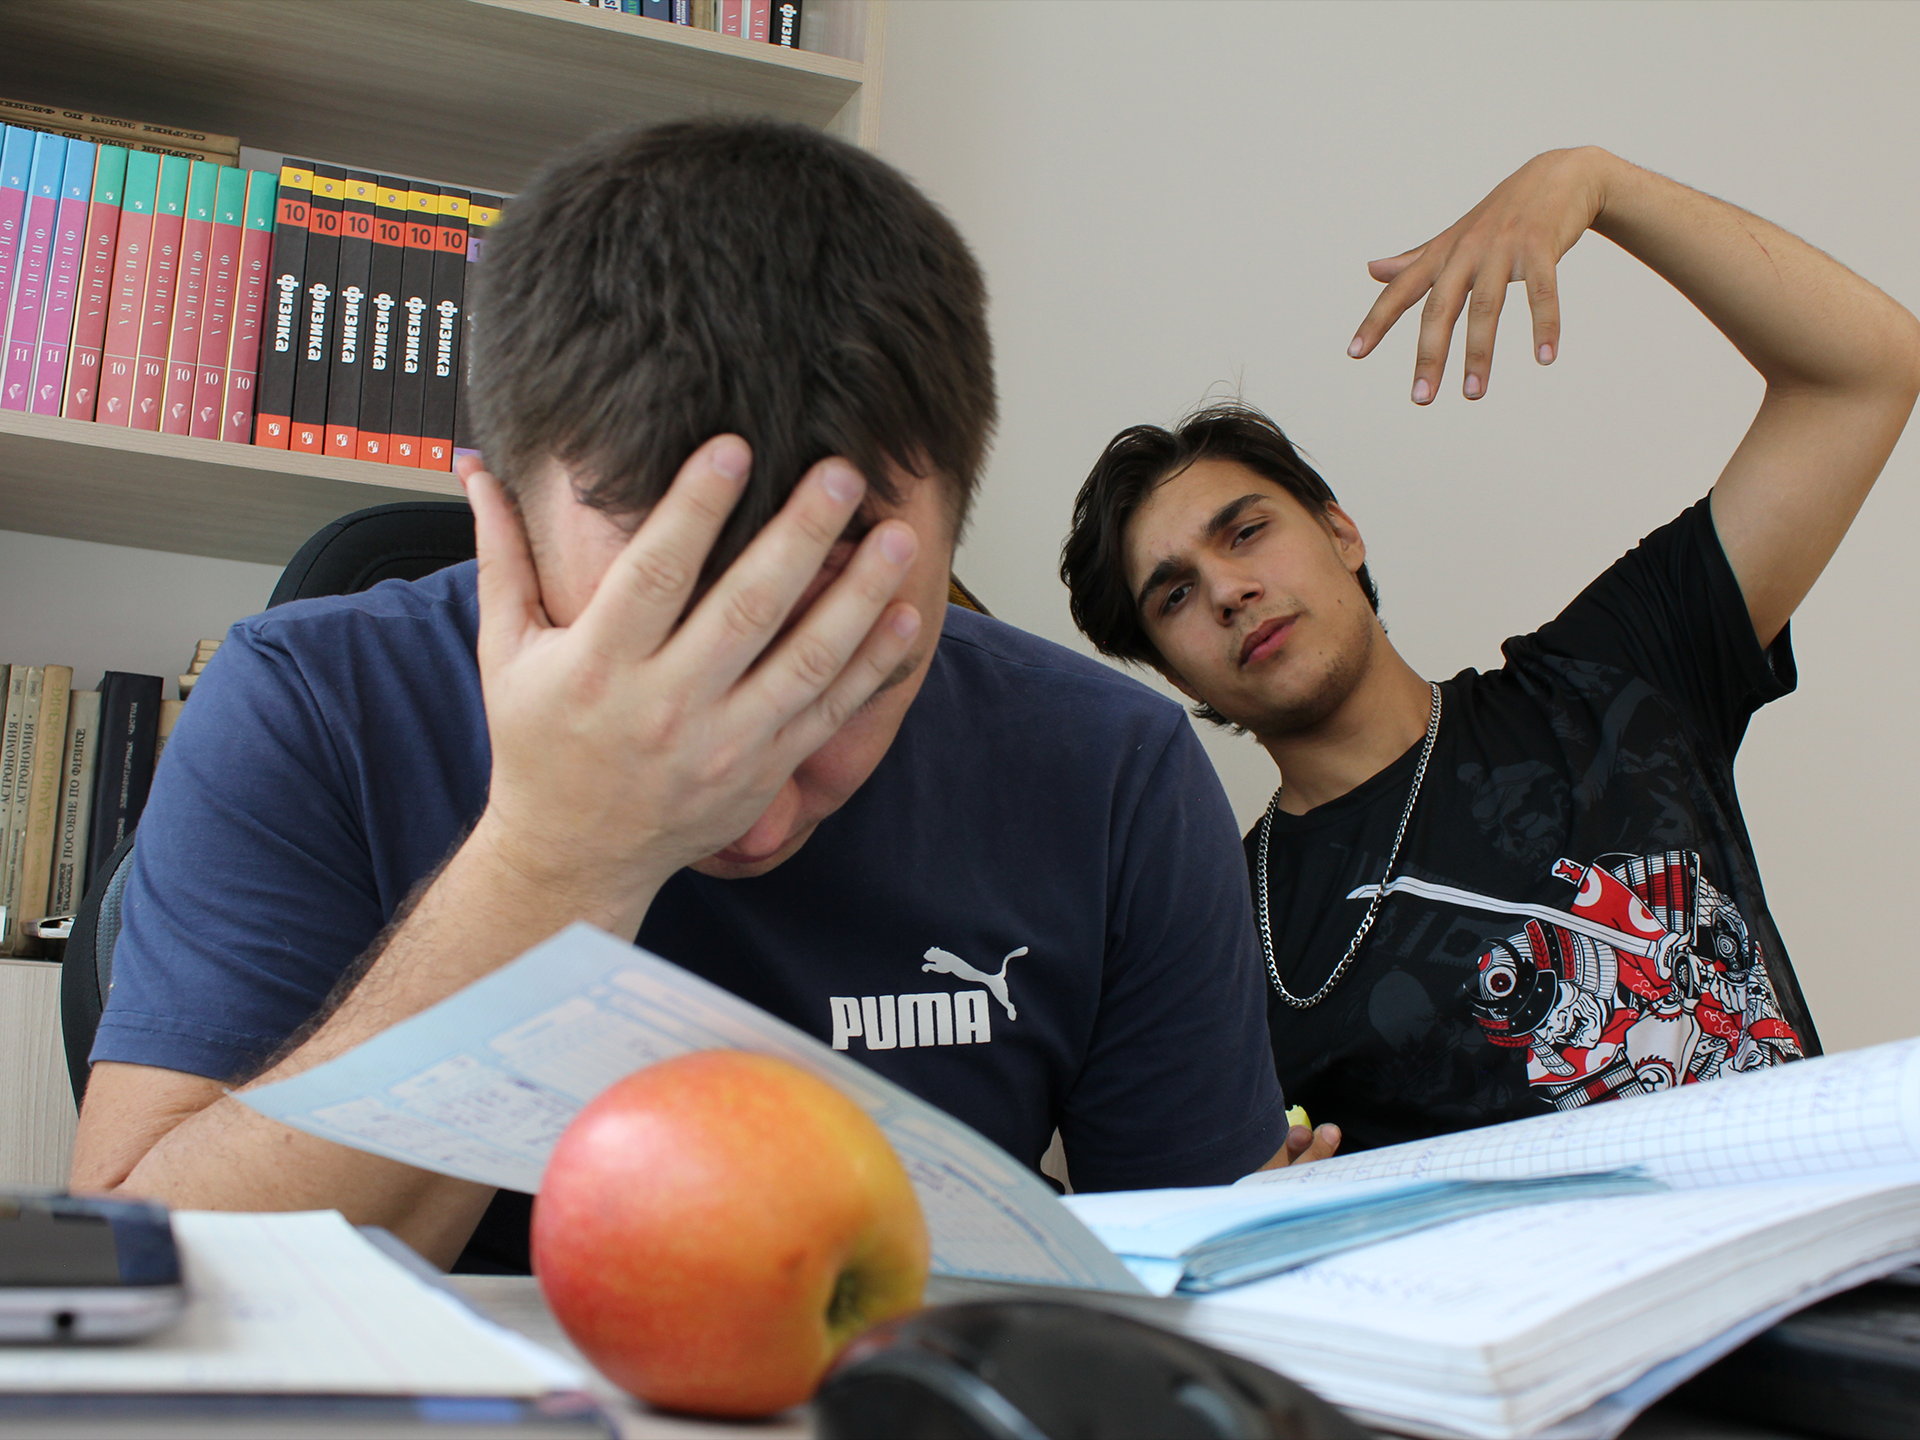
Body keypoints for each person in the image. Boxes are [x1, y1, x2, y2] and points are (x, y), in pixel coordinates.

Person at [70, 120, 1316, 1273]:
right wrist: (554, 860)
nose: (748, 810)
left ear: (952, 549)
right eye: (661, 655)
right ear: (503, 519)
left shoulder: (1114, 773)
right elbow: (151, 1288)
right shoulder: (309, 705)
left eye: (841, 676)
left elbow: (1195, 1297)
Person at [1060, 147, 1920, 1152]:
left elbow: (1864, 374)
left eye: (1246, 532)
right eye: (1174, 595)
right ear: (1173, 670)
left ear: (1340, 532)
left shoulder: (1609, 680)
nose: (1228, 590)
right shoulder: (1217, 933)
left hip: (1824, 1241)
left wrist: (1598, 183)